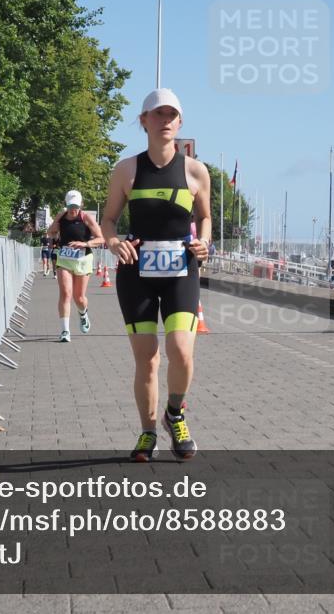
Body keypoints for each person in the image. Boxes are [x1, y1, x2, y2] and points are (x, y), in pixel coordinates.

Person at [100, 88, 211, 462]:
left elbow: (205, 217)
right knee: (147, 358)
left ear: (180, 122)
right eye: (157, 114)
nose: (165, 120)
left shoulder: (195, 171)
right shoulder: (126, 170)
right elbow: (109, 219)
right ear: (143, 121)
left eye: (171, 115)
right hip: (136, 273)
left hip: (181, 270)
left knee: (181, 350)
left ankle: (174, 413)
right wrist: (113, 242)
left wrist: (204, 243)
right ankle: (148, 432)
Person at [47, 190, 103, 342]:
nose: (73, 209)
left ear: (81, 205)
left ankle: (83, 313)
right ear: (66, 205)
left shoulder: (86, 218)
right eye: (71, 206)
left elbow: (101, 239)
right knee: (65, 293)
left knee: (79, 298)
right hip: (64, 259)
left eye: (76, 206)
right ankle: (65, 331)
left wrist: (85, 244)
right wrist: (56, 222)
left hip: (83, 259)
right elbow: (50, 232)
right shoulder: (61, 217)